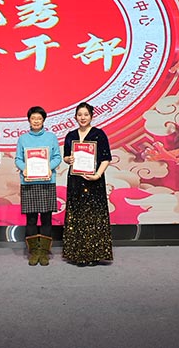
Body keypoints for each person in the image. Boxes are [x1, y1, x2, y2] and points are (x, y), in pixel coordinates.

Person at [62, 102, 113, 266]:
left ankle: (95, 254)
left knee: (94, 215)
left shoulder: (99, 134)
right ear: (75, 117)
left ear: (91, 116)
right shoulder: (70, 135)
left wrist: (97, 175)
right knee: (77, 214)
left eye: (86, 114)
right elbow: (65, 157)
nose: (82, 118)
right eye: (79, 115)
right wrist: (68, 159)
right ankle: (78, 254)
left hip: (94, 180)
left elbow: (106, 158)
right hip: (75, 180)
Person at [14, 106, 62, 266]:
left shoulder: (51, 137)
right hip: (29, 183)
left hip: (47, 182)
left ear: (43, 120)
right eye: (33, 118)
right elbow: (18, 159)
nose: (36, 121)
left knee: (47, 219)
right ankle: (34, 251)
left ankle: (44, 252)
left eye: (39, 118)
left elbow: (57, 157)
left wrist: (48, 167)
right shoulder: (23, 139)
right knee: (31, 219)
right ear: (29, 120)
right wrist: (24, 168)